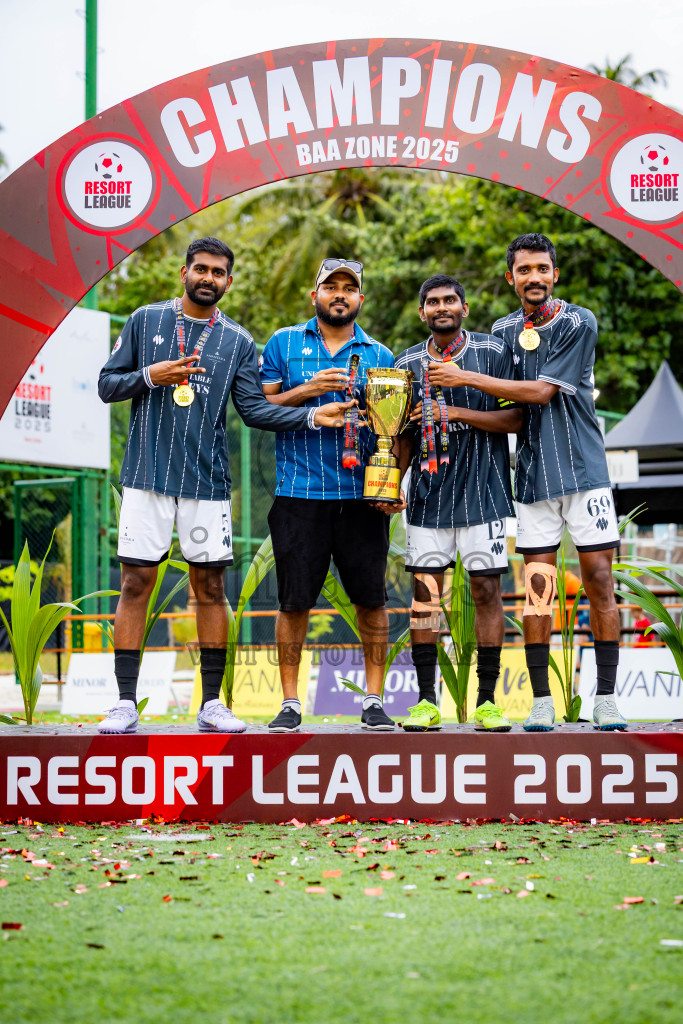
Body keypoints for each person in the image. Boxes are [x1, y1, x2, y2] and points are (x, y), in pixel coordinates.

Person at [97, 237, 349, 735]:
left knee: (211, 587)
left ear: (229, 282)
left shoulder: (237, 340)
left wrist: (311, 415)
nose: (208, 278)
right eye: (201, 269)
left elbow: (253, 410)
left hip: (207, 483)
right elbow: (107, 384)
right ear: (184, 272)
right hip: (146, 476)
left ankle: (212, 703)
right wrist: (150, 375)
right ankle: (124, 703)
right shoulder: (145, 320)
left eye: (218, 272)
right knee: (135, 583)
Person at [428, 233, 626, 731]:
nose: (533, 277)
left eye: (541, 268)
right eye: (524, 270)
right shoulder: (503, 330)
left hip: (584, 471)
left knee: (600, 581)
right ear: (511, 277)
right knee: (539, 590)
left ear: (555, 274)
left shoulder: (578, 321)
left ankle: (606, 699)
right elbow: (507, 408)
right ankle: (541, 702)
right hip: (533, 477)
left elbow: (539, 393)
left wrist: (464, 378)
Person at [260, 258, 398, 732]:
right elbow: (261, 407)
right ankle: (290, 703)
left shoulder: (380, 353)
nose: (340, 294)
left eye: (349, 288)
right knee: (293, 603)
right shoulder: (283, 343)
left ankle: (374, 701)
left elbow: (390, 425)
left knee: (372, 601)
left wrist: (389, 483)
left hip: (362, 496)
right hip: (298, 493)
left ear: (361, 298)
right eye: (330, 286)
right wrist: (310, 390)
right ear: (313, 294)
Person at [395, 275, 522, 732]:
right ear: (422, 312)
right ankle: (426, 702)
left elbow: (516, 417)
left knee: (486, 592)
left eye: (450, 300)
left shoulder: (492, 352)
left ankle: (487, 701)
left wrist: (455, 412)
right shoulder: (405, 363)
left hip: (484, 493)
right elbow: (402, 433)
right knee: (425, 598)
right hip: (428, 498)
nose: (442, 307)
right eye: (432, 302)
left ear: (464, 308)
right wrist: (393, 483)